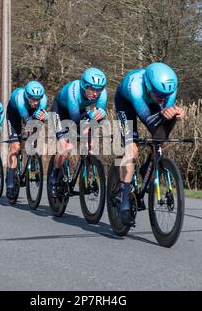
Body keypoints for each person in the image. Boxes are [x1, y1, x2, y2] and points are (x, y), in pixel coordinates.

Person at [115, 62, 186, 226]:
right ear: (148, 85)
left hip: (149, 101)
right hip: (126, 104)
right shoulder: (136, 87)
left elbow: (161, 127)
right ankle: (124, 200)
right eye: (159, 94)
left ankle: (147, 168)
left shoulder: (167, 89)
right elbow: (147, 118)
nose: (163, 98)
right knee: (131, 149)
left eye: (165, 96)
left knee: (161, 142)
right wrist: (166, 113)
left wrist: (176, 113)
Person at [50, 67, 108, 196]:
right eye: (92, 89)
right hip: (60, 112)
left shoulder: (102, 93)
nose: (95, 93)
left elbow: (96, 118)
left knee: (90, 143)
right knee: (66, 148)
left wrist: (96, 120)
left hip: (78, 111)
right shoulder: (73, 91)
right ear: (83, 86)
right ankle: (55, 173)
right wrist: (88, 118)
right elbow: (75, 121)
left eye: (98, 89)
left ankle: (88, 173)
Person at [5, 81, 49, 198]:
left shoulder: (43, 100)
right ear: (26, 96)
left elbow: (37, 121)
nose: (35, 102)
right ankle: (10, 179)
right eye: (32, 99)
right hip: (14, 113)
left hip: (31, 113)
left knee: (37, 130)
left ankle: (33, 160)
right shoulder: (20, 99)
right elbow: (27, 121)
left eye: (37, 99)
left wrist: (44, 117)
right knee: (16, 147)